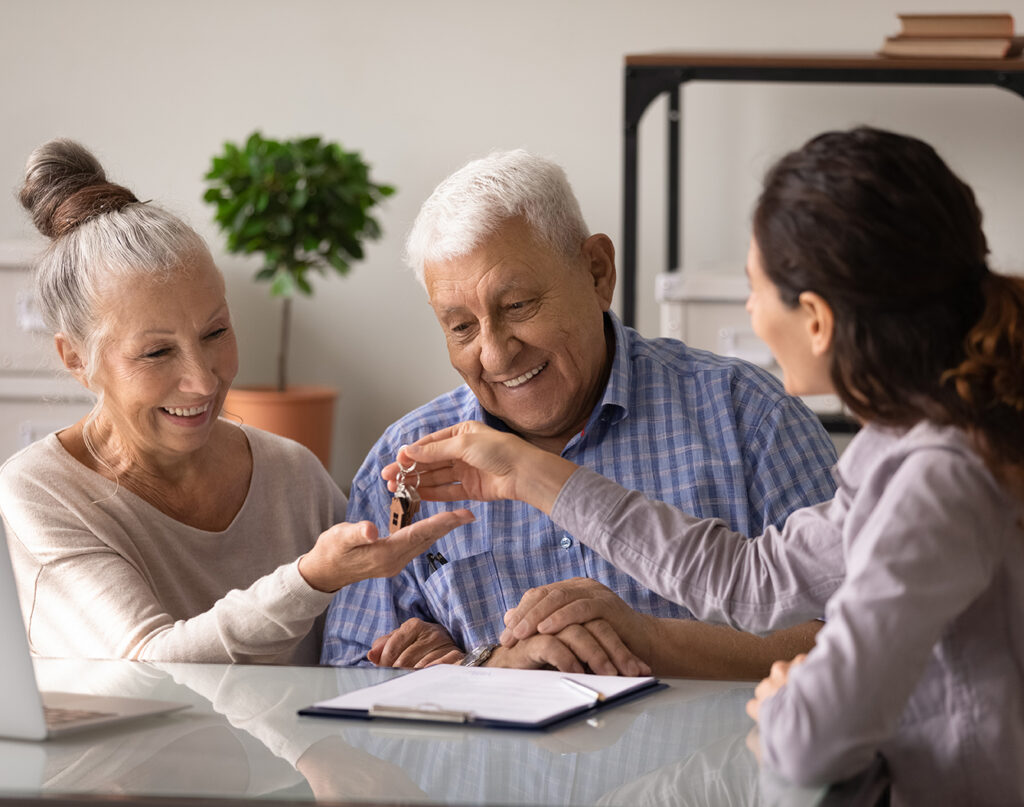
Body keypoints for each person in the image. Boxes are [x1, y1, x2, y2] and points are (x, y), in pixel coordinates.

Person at [392, 127, 1024, 803]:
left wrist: (790, 699)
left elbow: (812, 735)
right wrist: (530, 474)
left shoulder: (935, 479)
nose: (749, 310)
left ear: (815, 319)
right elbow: (753, 578)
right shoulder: (900, 452)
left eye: (755, 288)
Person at [321, 149, 839, 676]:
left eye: (518, 306)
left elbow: (863, 648)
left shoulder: (748, 416)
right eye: (461, 327)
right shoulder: (405, 464)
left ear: (597, 272)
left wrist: (652, 640)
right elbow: (338, 689)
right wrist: (484, 670)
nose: (496, 355)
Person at [0, 139, 472, 665]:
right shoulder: (37, 494)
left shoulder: (293, 476)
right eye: (157, 352)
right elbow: (150, 670)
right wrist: (310, 579)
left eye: (216, 331)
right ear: (76, 359)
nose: (203, 381)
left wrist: (417, 644)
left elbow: (357, 650)